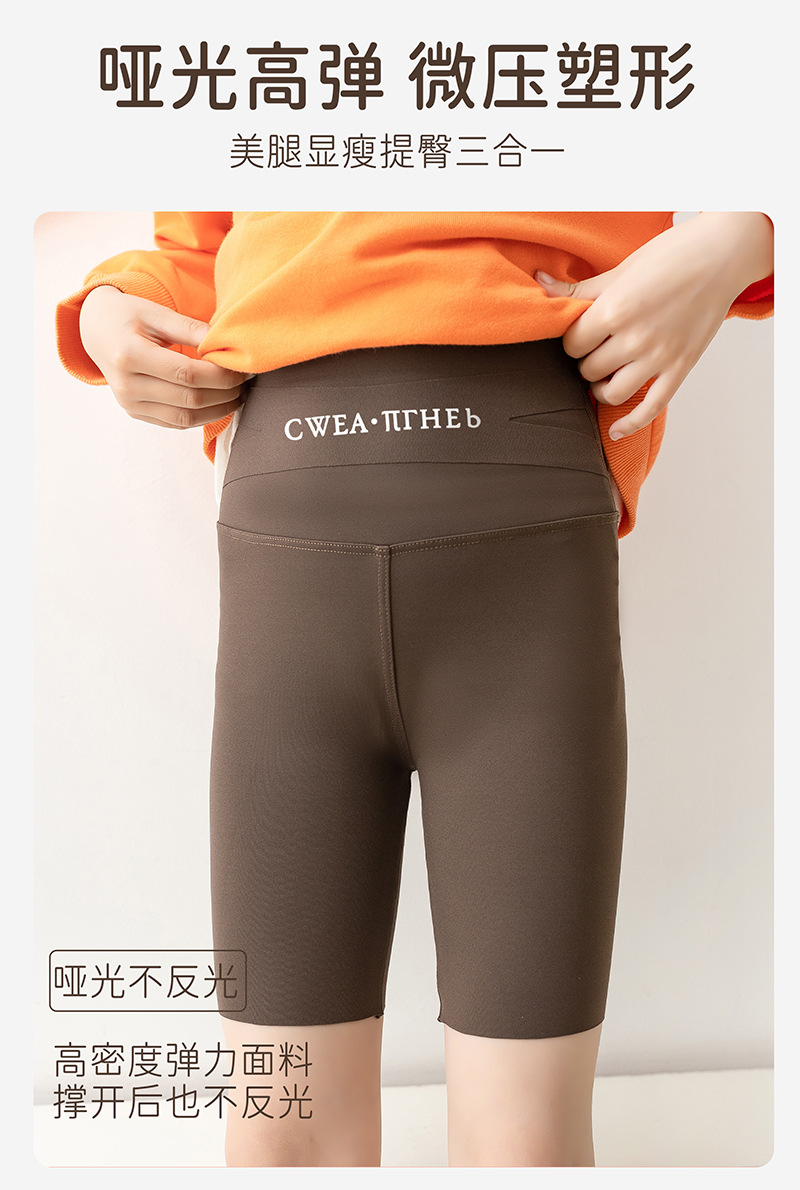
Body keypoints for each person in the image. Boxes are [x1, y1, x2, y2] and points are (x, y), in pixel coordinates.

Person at [56, 211, 774, 1168]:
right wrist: (112, 308)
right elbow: (199, 252)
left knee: (521, 1146)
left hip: (516, 550)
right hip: (298, 549)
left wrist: (743, 236)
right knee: (284, 1136)